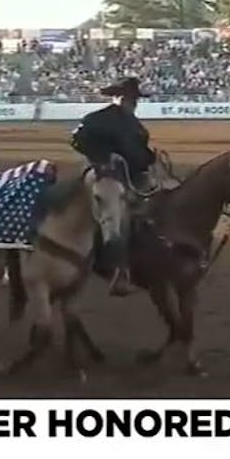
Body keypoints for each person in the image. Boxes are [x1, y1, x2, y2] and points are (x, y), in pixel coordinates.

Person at [70, 76, 157, 296]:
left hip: (131, 176)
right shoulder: (97, 119)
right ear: (117, 97)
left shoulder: (135, 125)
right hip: (104, 174)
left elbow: (139, 152)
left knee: (157, 200)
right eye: (130, 98)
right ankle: (116, 268)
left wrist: (150, 158)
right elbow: (77, 140)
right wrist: (103, 157)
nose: (133, 103)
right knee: (114, 213)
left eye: (135, 99)